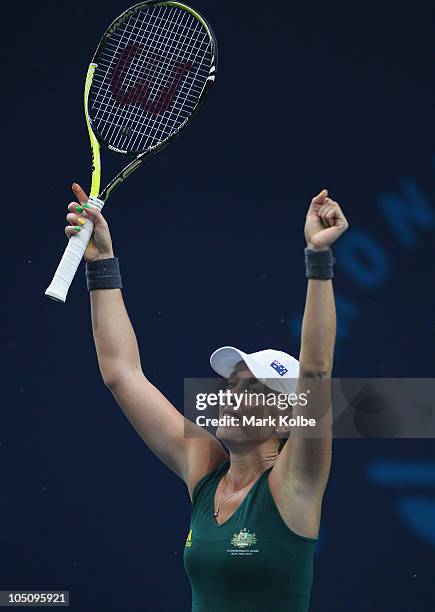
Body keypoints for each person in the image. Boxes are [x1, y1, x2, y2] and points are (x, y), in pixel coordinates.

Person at [64, 184, 349, 611]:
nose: (229, 396)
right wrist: (102, 263)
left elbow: (316, 371)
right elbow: (122, 374)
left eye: (252, 388)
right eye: (230, 384)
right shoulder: (206, 470)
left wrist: (318, 256)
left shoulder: (295, 482)